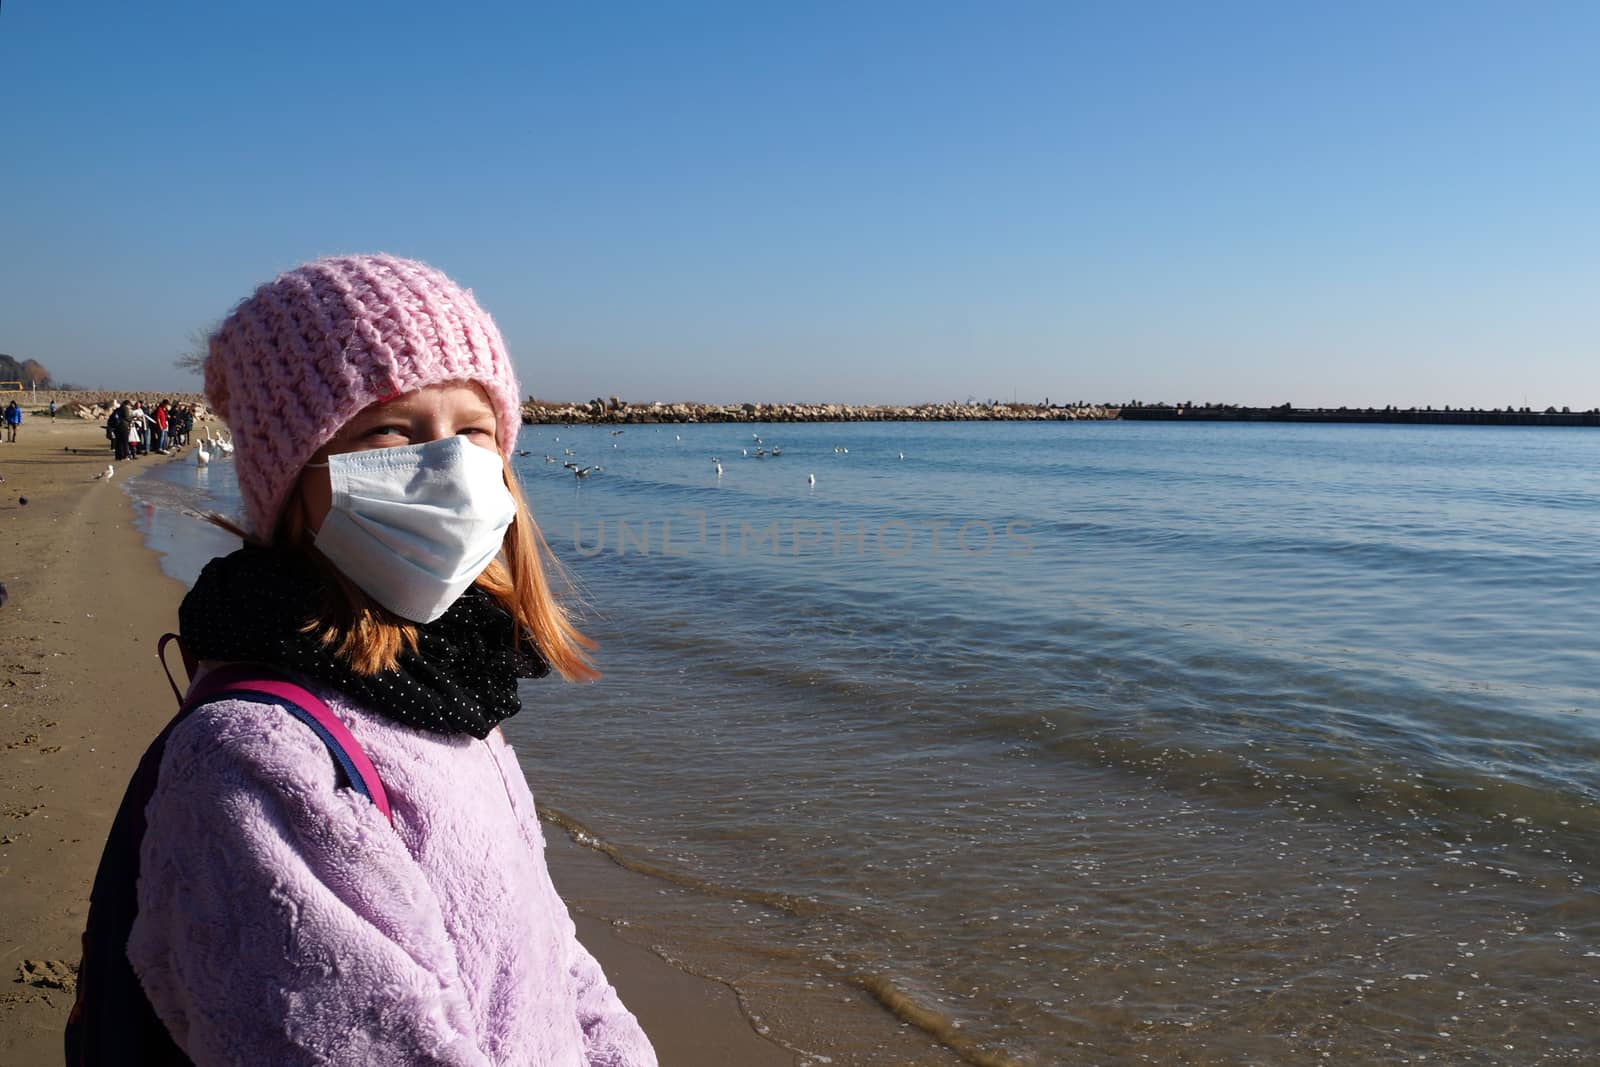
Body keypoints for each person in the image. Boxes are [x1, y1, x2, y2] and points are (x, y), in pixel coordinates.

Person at [111, 254, 656, 1065]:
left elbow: (550, 957)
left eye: (474, 430)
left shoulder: (452, 695)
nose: (452, 470)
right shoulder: (258, 760)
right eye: (389, 431)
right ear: (292, 476)